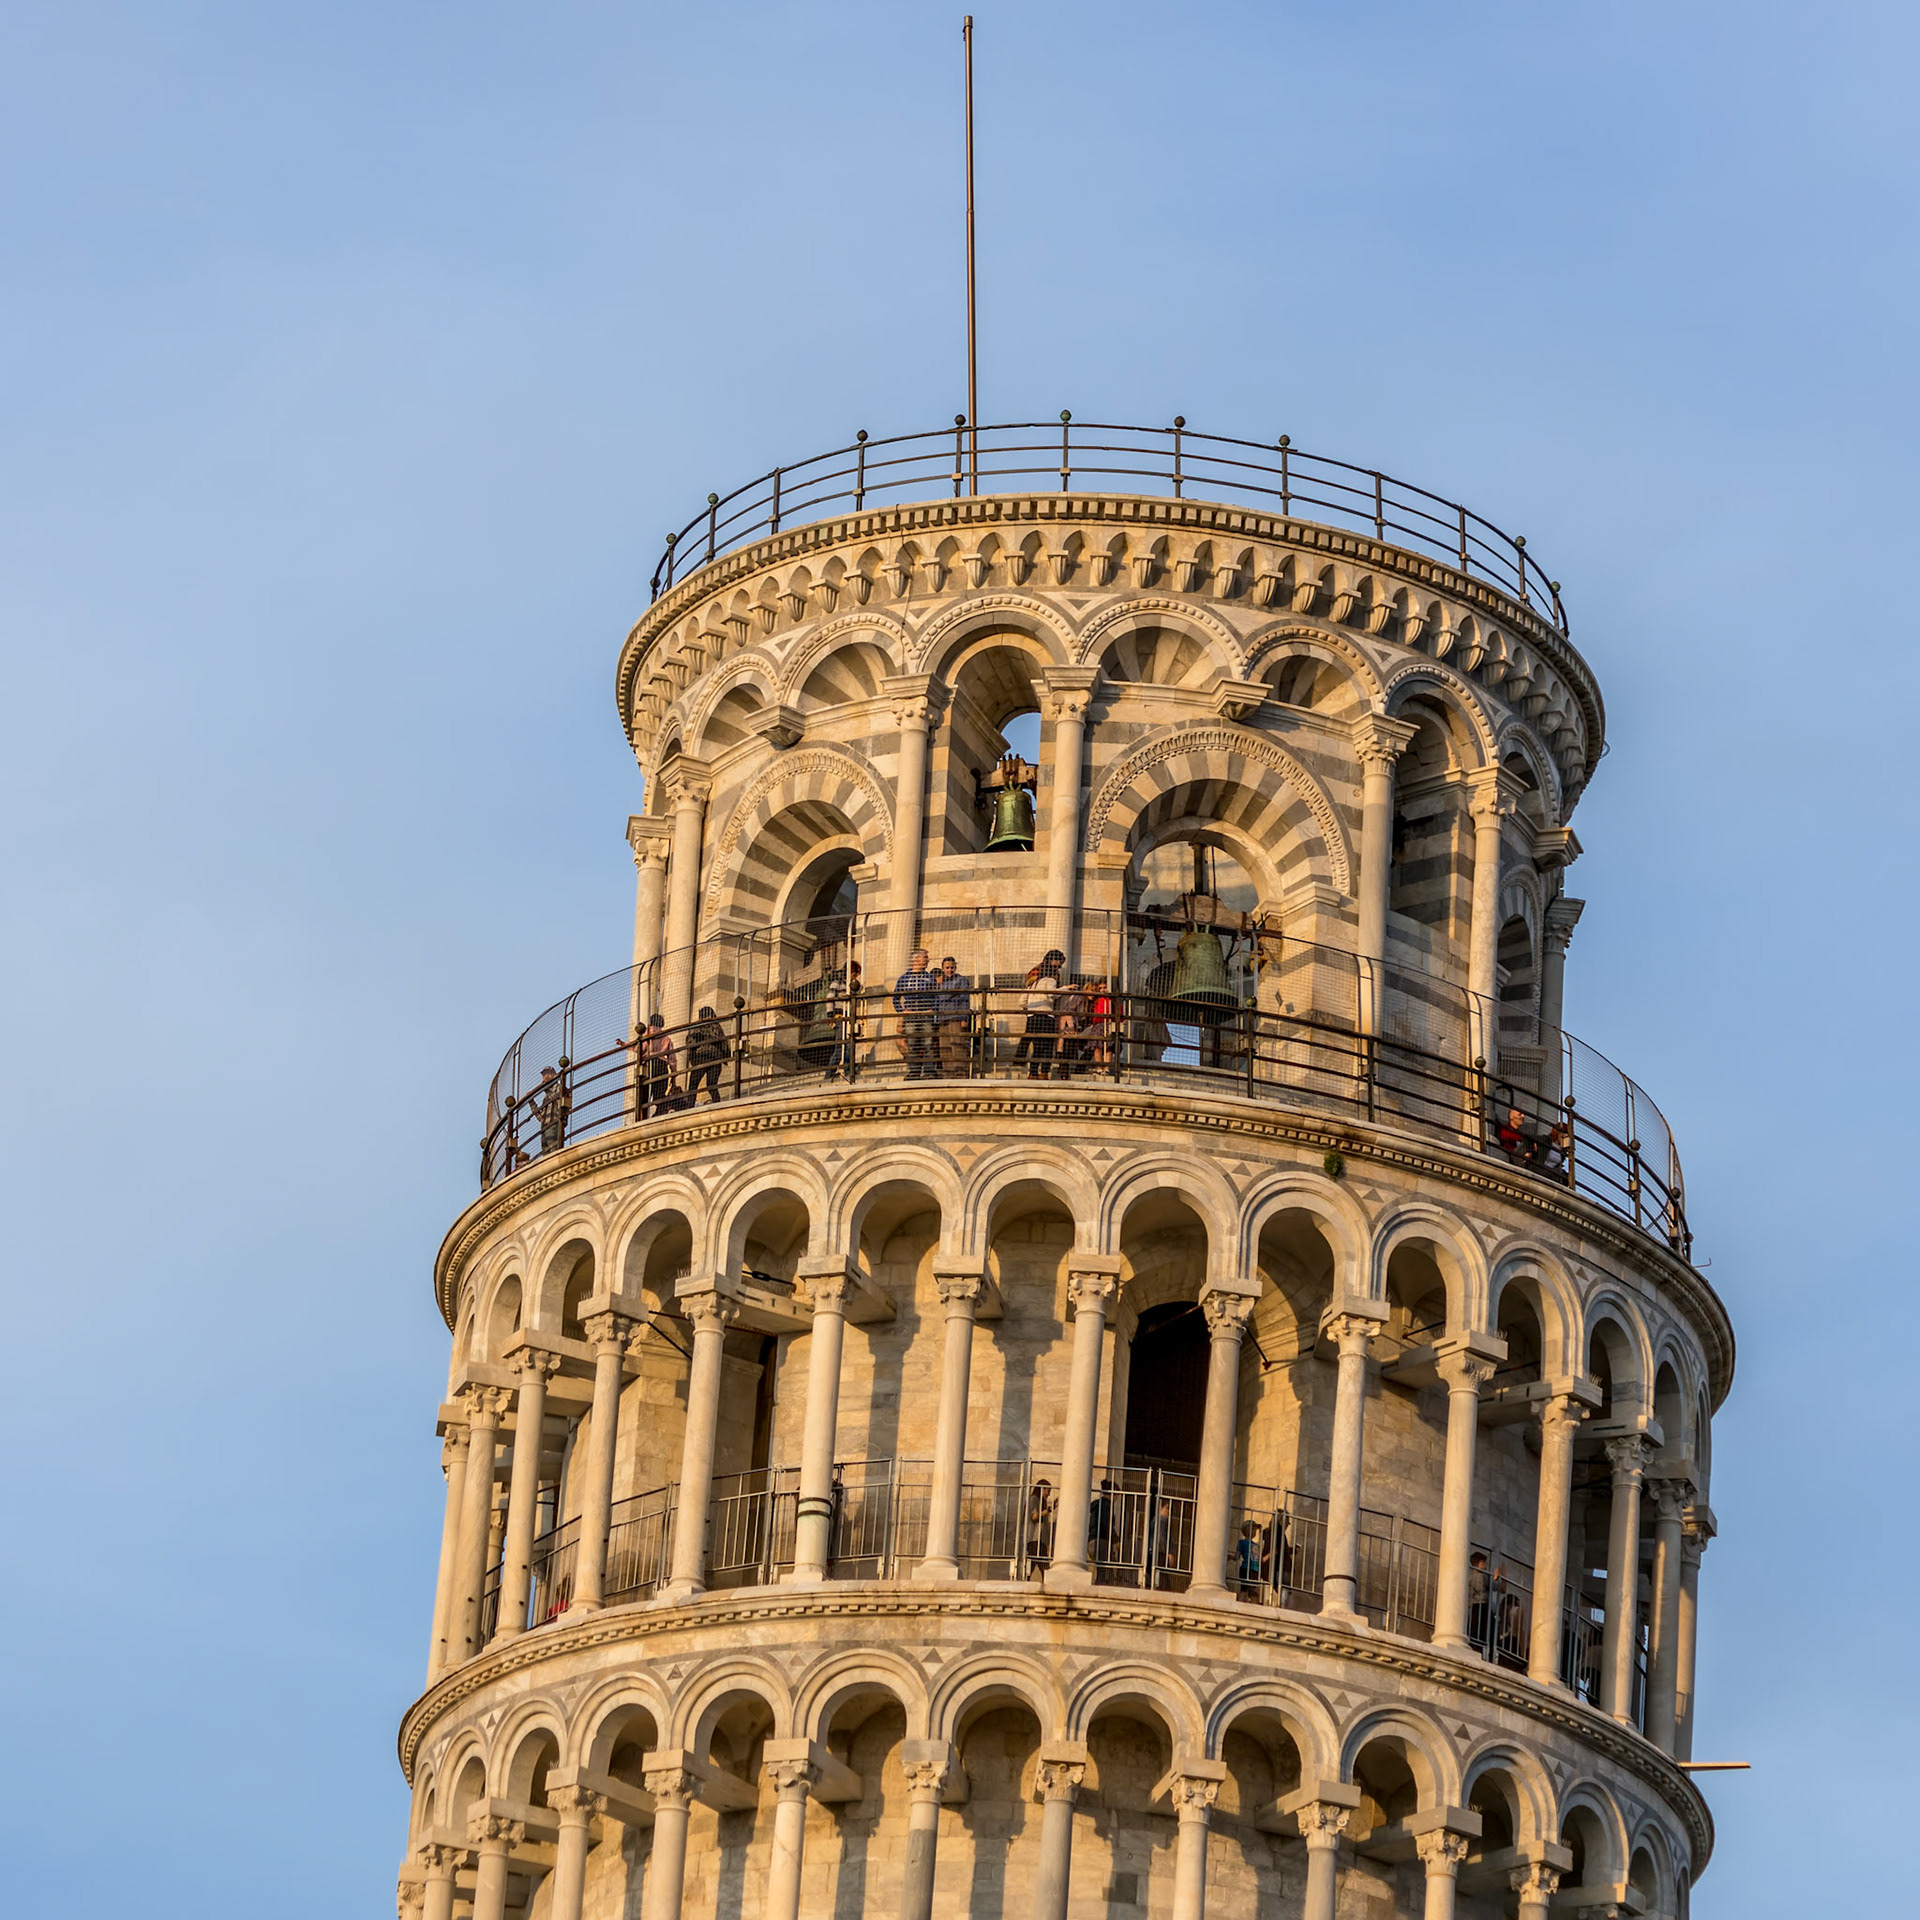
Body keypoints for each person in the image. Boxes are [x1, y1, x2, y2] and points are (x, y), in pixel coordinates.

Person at [892, 947, 940, 1079]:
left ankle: (929, 1072)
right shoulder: (904, 978)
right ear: (916, 959)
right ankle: (914, 1071)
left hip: (926, 1015)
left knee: (928, 1044)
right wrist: (902, 1012)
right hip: (911, 1016)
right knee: (912, 1044)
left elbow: (936, 996)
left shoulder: (930, 978)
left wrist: (932, 1010)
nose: (928, 960)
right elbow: (895, 997)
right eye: (925, 957)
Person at [1015, 956, 1060, 1078]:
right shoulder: (1050, 981)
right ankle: (1044, 1072)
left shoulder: (1032, 984)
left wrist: (1030, 1008)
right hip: (1046, 1016)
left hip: (1032, 1017)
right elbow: (1052, 994)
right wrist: (1066, 989)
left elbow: (1021, 1002)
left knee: (1037, 1046)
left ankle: (1033, 1073)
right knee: (1048, 1046)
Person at [934, 955, 973, 1078]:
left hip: (955, 1016)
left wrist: (964, 1018)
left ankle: (960, 1073)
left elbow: (964, 1000)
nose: (949, 970)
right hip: (942, 1018)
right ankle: (948, 1074)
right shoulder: (939, 982)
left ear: (955, 967)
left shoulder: (961, 980)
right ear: (942, 968)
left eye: (952, 967)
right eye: (947, 968)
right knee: (945, 1048)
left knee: (958, 1045)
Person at [686, 1005, 729, 1104]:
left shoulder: (696, 1026)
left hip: (700, 1058)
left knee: (693, 1085)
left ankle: (690, 1106)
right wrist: (725, 1058)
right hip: (715, 1058)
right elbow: (724, 1043)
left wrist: (691, 1058)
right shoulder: (716, 1026)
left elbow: (690, 1042)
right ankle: (717, 1103)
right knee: (711, 1085)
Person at [637, 1014, 676, 1117]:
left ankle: (642, 1116)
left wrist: (624, 1045)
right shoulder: (666, 1038)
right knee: (659, 1092)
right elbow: (672, 1058)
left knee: (645, 1094)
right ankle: (660, 1112)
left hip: (648, 1065)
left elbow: (640, 1049)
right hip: (661, 1065)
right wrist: (673, 1073)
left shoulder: (647, 1034)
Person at [1055, 978, 1091, 1078]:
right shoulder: (1080, 997)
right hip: (1068, 1024)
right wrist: (1071, 1027)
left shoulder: (1082, 998)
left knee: (1066, 1048)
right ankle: (1064, 1072)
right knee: (1067, 1047)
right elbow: (1069, 1010)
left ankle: (1063, 1070)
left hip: (1068, 1023)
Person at [534, 1059, 572, 1154]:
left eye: (548, 1074)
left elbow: (557, 1100)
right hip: (544, 1127)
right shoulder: (546, 1097)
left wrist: (545, 1088)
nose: (545, 1077)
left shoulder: (560, 1088)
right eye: (544, 1074)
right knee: (546, 1154)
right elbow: (540, 1117)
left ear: (553, 1075)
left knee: (553, 1151)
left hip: (554, 1124)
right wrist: (531, 1102)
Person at [1024, 1477, 1056, 1577]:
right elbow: (1034, 1516)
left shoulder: (1041, 1502)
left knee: (1033, 1565)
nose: (1049, 1494)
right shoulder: (1034, 1499)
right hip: (1035, 1539)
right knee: (1044, 1567)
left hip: (1039, 1540)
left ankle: (1026, 1581)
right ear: (1041, 1489)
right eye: (1048, 1491)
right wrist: (1049, 1509)